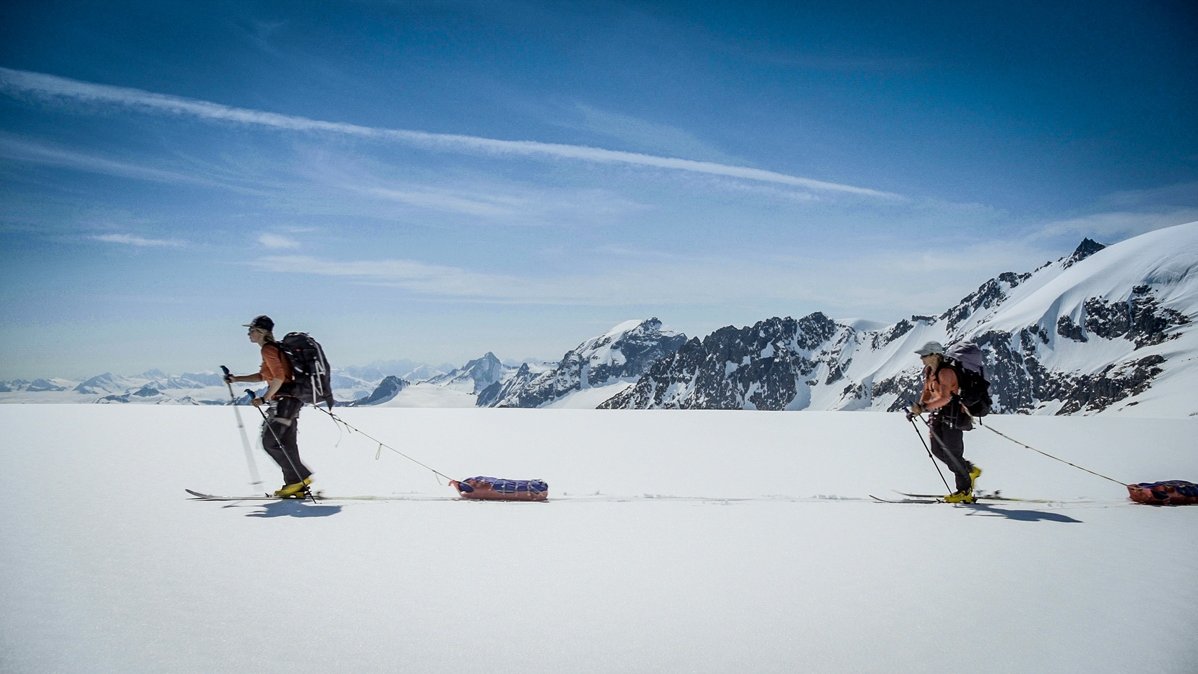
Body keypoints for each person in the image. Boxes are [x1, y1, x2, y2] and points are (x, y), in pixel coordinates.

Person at [224, 315, 313, 497]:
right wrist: (237, 379)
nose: (249, 333)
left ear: (261, 332)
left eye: (251, 330)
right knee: (287, 444)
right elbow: (264, 375)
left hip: (284, 402)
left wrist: (264, 398)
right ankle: (295, 486)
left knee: (270, 442)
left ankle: (300, 478)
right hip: (291, 402)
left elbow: (279, 378)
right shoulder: (273, 349)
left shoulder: (268, 350)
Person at [908, 341, 982, 503]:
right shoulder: (929, 371)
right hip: (938, 415)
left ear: (935, 355)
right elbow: (927, 392)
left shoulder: (946, 373)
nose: (921, 358)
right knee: (937, 450)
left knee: (953, 454)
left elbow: (945, 397)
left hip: (953, 416)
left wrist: (924, 407)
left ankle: (964, 491)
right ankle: (969, 470)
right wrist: (919, 406)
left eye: (924, 355)